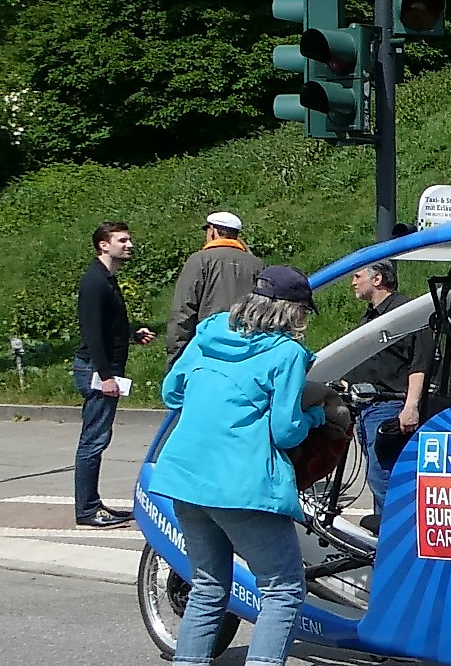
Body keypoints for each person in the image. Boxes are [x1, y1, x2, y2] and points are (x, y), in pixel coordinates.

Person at [148, 265, 333, 666]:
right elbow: (286, 432)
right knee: (282, 590)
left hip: (185, 477)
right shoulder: (286, 353)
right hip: (242, 486)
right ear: (293, 312)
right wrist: (316, 416)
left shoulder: (210, 330)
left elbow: (172, 392)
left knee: (208, 586)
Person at [74, 221, 153, 529]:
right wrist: (105, 375)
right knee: (93, 441)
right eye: (122, 240)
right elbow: (91, 331)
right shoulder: (95, 282)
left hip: (102, 368)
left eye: (129, 239)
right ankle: (87, 510)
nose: (129, 244)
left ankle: (93, 505)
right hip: (96, 370)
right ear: (103, 245)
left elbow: (108, 327)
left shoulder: (106, 279)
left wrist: (133, 335)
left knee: (98, 439)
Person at [340, 259, 428, 532]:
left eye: (358, 276)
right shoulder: (370, 316)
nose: (353, 282)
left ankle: (400, 535)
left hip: (389, 404)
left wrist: (411, 406)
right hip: (365, 404)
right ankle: (383, 538)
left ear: (377, 279)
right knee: (375, 475)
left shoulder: (406, 314)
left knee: (383, 477)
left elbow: (420, 363)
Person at [164, 210, 265, 365]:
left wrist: (176, 354)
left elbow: (183, 310)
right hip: (247, 347)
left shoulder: (199, 260)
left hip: (208, 348)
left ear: (213, 231)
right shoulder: (256, 264)